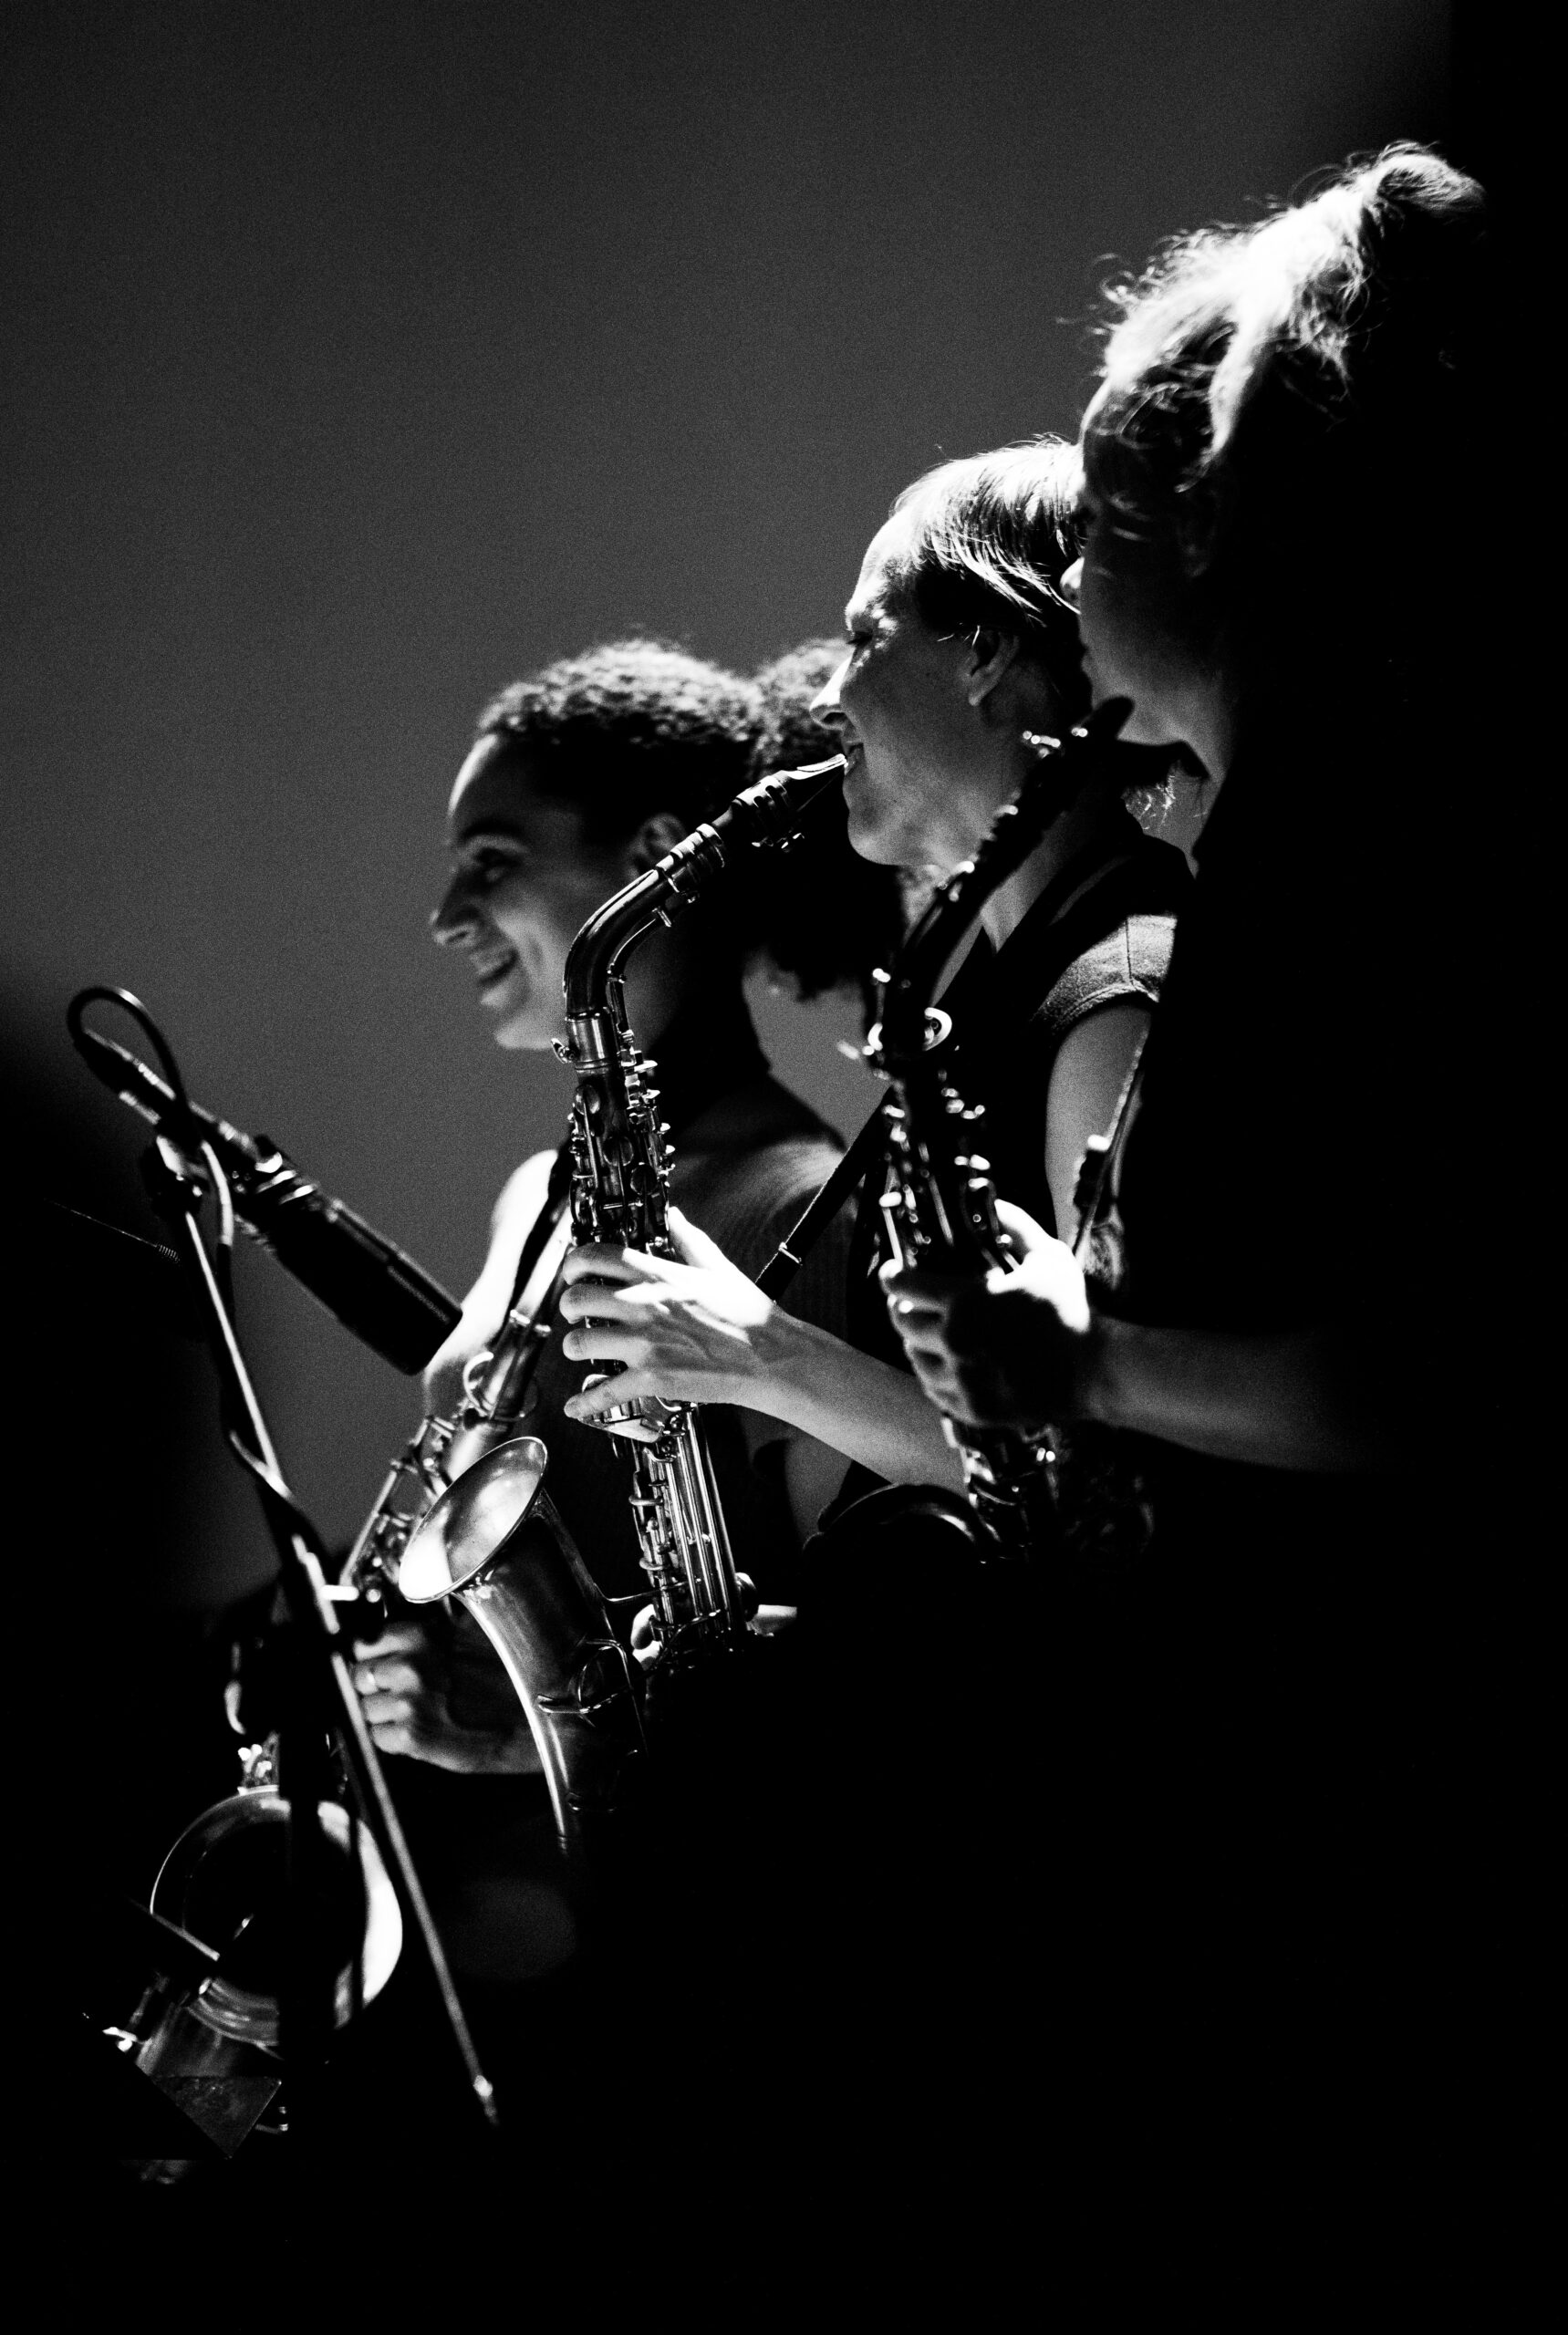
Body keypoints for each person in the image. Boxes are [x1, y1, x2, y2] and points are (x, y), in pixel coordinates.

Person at [881, 148, 1498, 2173]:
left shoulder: (1349, 870)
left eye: (1091, 533)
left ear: (1205, 532)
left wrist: (1085, 1361)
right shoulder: (1281, 851)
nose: (1064, 597)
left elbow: (1439, 1374)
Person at [557, 439, 1190, 1512]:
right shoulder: (992, 980)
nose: (828, 695)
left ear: (985, 650)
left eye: (863, 639)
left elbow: (1115, 1487)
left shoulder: (1114, 1006)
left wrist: (761, 1352)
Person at [348, 639, 896, 1803]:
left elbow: (867, 1660)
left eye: (492, 861)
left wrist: (534, 1730)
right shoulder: (534, 1192)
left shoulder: (803, 1206)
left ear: (654, 855)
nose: (446, 916)